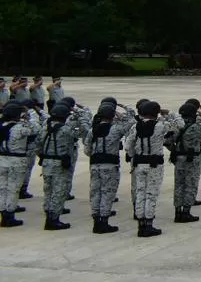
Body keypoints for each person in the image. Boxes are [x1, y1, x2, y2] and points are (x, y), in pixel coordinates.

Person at [128, 100, 181, 238]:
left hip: (139, 163)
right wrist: (169, 113)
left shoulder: (135, 127)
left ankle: (140, 224)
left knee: (140, 192)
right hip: (154, 164)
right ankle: (148, 224)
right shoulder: (161, 126)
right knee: (151, 194)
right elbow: (179, 125)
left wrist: (135, 156)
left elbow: (129, 146)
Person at [85, 100, 133, 234]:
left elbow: (87, 150)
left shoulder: (92, 131)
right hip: (110, 165)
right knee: (107, 192)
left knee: (95, 192)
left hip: (95, 164)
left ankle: (96, 221)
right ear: (113, 116)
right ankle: (104, 222)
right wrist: (125, 109)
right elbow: (130, 122)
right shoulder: (116, 129)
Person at [37, 103, 84, 231]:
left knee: (48, 189)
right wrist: (80, 115)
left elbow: (38, 145)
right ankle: (53, 219)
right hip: (59, 164)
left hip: (47, 162)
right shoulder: (66, 130)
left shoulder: (44, 128)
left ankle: (48, 211)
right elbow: (81, 133)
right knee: (59, 191)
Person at [169, 100, 201, 223]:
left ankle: (177, 212)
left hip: (179, 158)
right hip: (192, 159)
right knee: (190, 185)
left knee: (179, 184)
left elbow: (167, 141)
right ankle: (186, 212)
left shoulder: (175, 125)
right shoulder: (197, 127)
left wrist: (175, 150)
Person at [1, 101, 37, 227]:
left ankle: (3, 212)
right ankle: (9, 215)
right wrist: (28, 117)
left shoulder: (1, 126)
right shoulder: (20, 128)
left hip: (2, 159)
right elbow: (35, 129)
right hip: (16, 160)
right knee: (13, 189)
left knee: (2, 188)